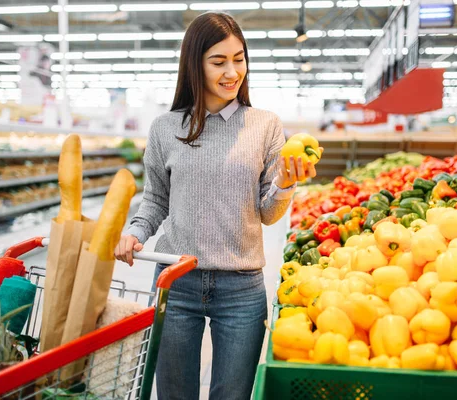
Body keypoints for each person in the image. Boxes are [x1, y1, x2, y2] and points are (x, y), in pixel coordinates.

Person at [115, 12, 320, 400]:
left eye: (238, 59)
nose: (232, 72)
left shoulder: (265, 125)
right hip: (175, 281)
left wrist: (285, 183)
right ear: (195, 64)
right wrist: (134, 233)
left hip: (240, 287)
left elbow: (267, 213)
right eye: (219, 61)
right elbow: (156, 199)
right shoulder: (165, 127)